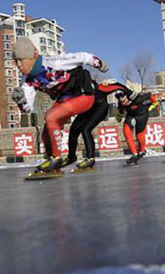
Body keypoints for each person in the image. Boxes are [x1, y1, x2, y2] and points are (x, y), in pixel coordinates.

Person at [11, 38, 109, 173]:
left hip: (83, 95)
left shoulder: (54, 62)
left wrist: (100, 64)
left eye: (21, 60)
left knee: (51, 117)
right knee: (46, 134)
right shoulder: (27, 81)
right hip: (64, 99)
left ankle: (57, 158)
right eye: (16, 61)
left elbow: (83, 57)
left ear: (34, 56)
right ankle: (52, 158)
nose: (18, 65)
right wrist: (21, 101)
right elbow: (28, 109)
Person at [65, 80, 131, 170]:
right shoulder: (74, 87)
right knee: (74, 129)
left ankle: (90, 158)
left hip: (100, 109)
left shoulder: (100, 87)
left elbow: (117, 86)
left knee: (85, 129)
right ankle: (71, 157)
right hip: (87, 109)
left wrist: (130, 93)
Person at [116, 90, 159, 165]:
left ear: (128, 97)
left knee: (139, 136)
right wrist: (119, 116)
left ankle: (142, 151)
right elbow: (121, 110)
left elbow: (149, 95)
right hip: (131, 115)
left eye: (124, 101)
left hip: (142, 115)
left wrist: (154, 103)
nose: (123, 103)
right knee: (126, 131)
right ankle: (134, 154)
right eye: (122, 102)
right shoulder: (121, 103)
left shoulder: (137, 98)